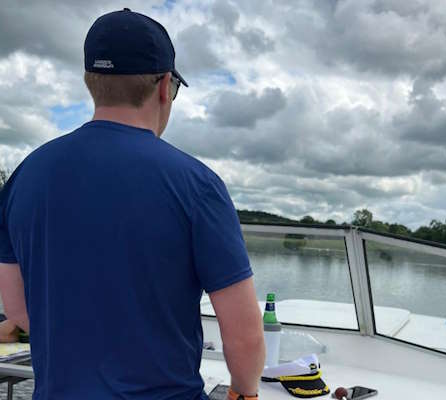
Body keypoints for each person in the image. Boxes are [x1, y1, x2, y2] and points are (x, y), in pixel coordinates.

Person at [0, 8, 264, 400]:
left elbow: (19, 312)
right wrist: (245, 393)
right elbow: (244, 336)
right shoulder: (197, 185)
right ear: (164, 87)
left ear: (92, 82)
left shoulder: (25, 177)